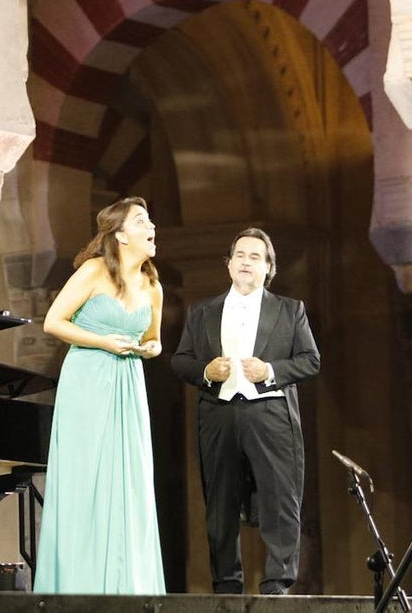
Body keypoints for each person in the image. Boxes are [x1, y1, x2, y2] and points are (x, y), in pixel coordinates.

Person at [171, 227, 320, 595]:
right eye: (240, 255)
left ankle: (277, 585)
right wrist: (207, 371)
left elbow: (311, 360)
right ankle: (226, 585)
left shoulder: (289, 310)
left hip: (270, 412)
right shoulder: (202, 310)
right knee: (219, 504)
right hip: (219, 413)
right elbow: (180, 360)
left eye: (255, 257)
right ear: (229, 264)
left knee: (279, 499)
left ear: (268, 267)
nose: (246, 262)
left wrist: (269, 371)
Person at [32, 196, 166, 594]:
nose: (151, 227)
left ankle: (129, 586)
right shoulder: (93, 271)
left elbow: (154, 337)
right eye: (142, 221)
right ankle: (78, 584)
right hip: (87, 380)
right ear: (121, 234)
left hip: (129, 383)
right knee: (87, 479)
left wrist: (151, 348)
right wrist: (103, 343)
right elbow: (53, 322)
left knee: (129, 480)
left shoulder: (153, 285)